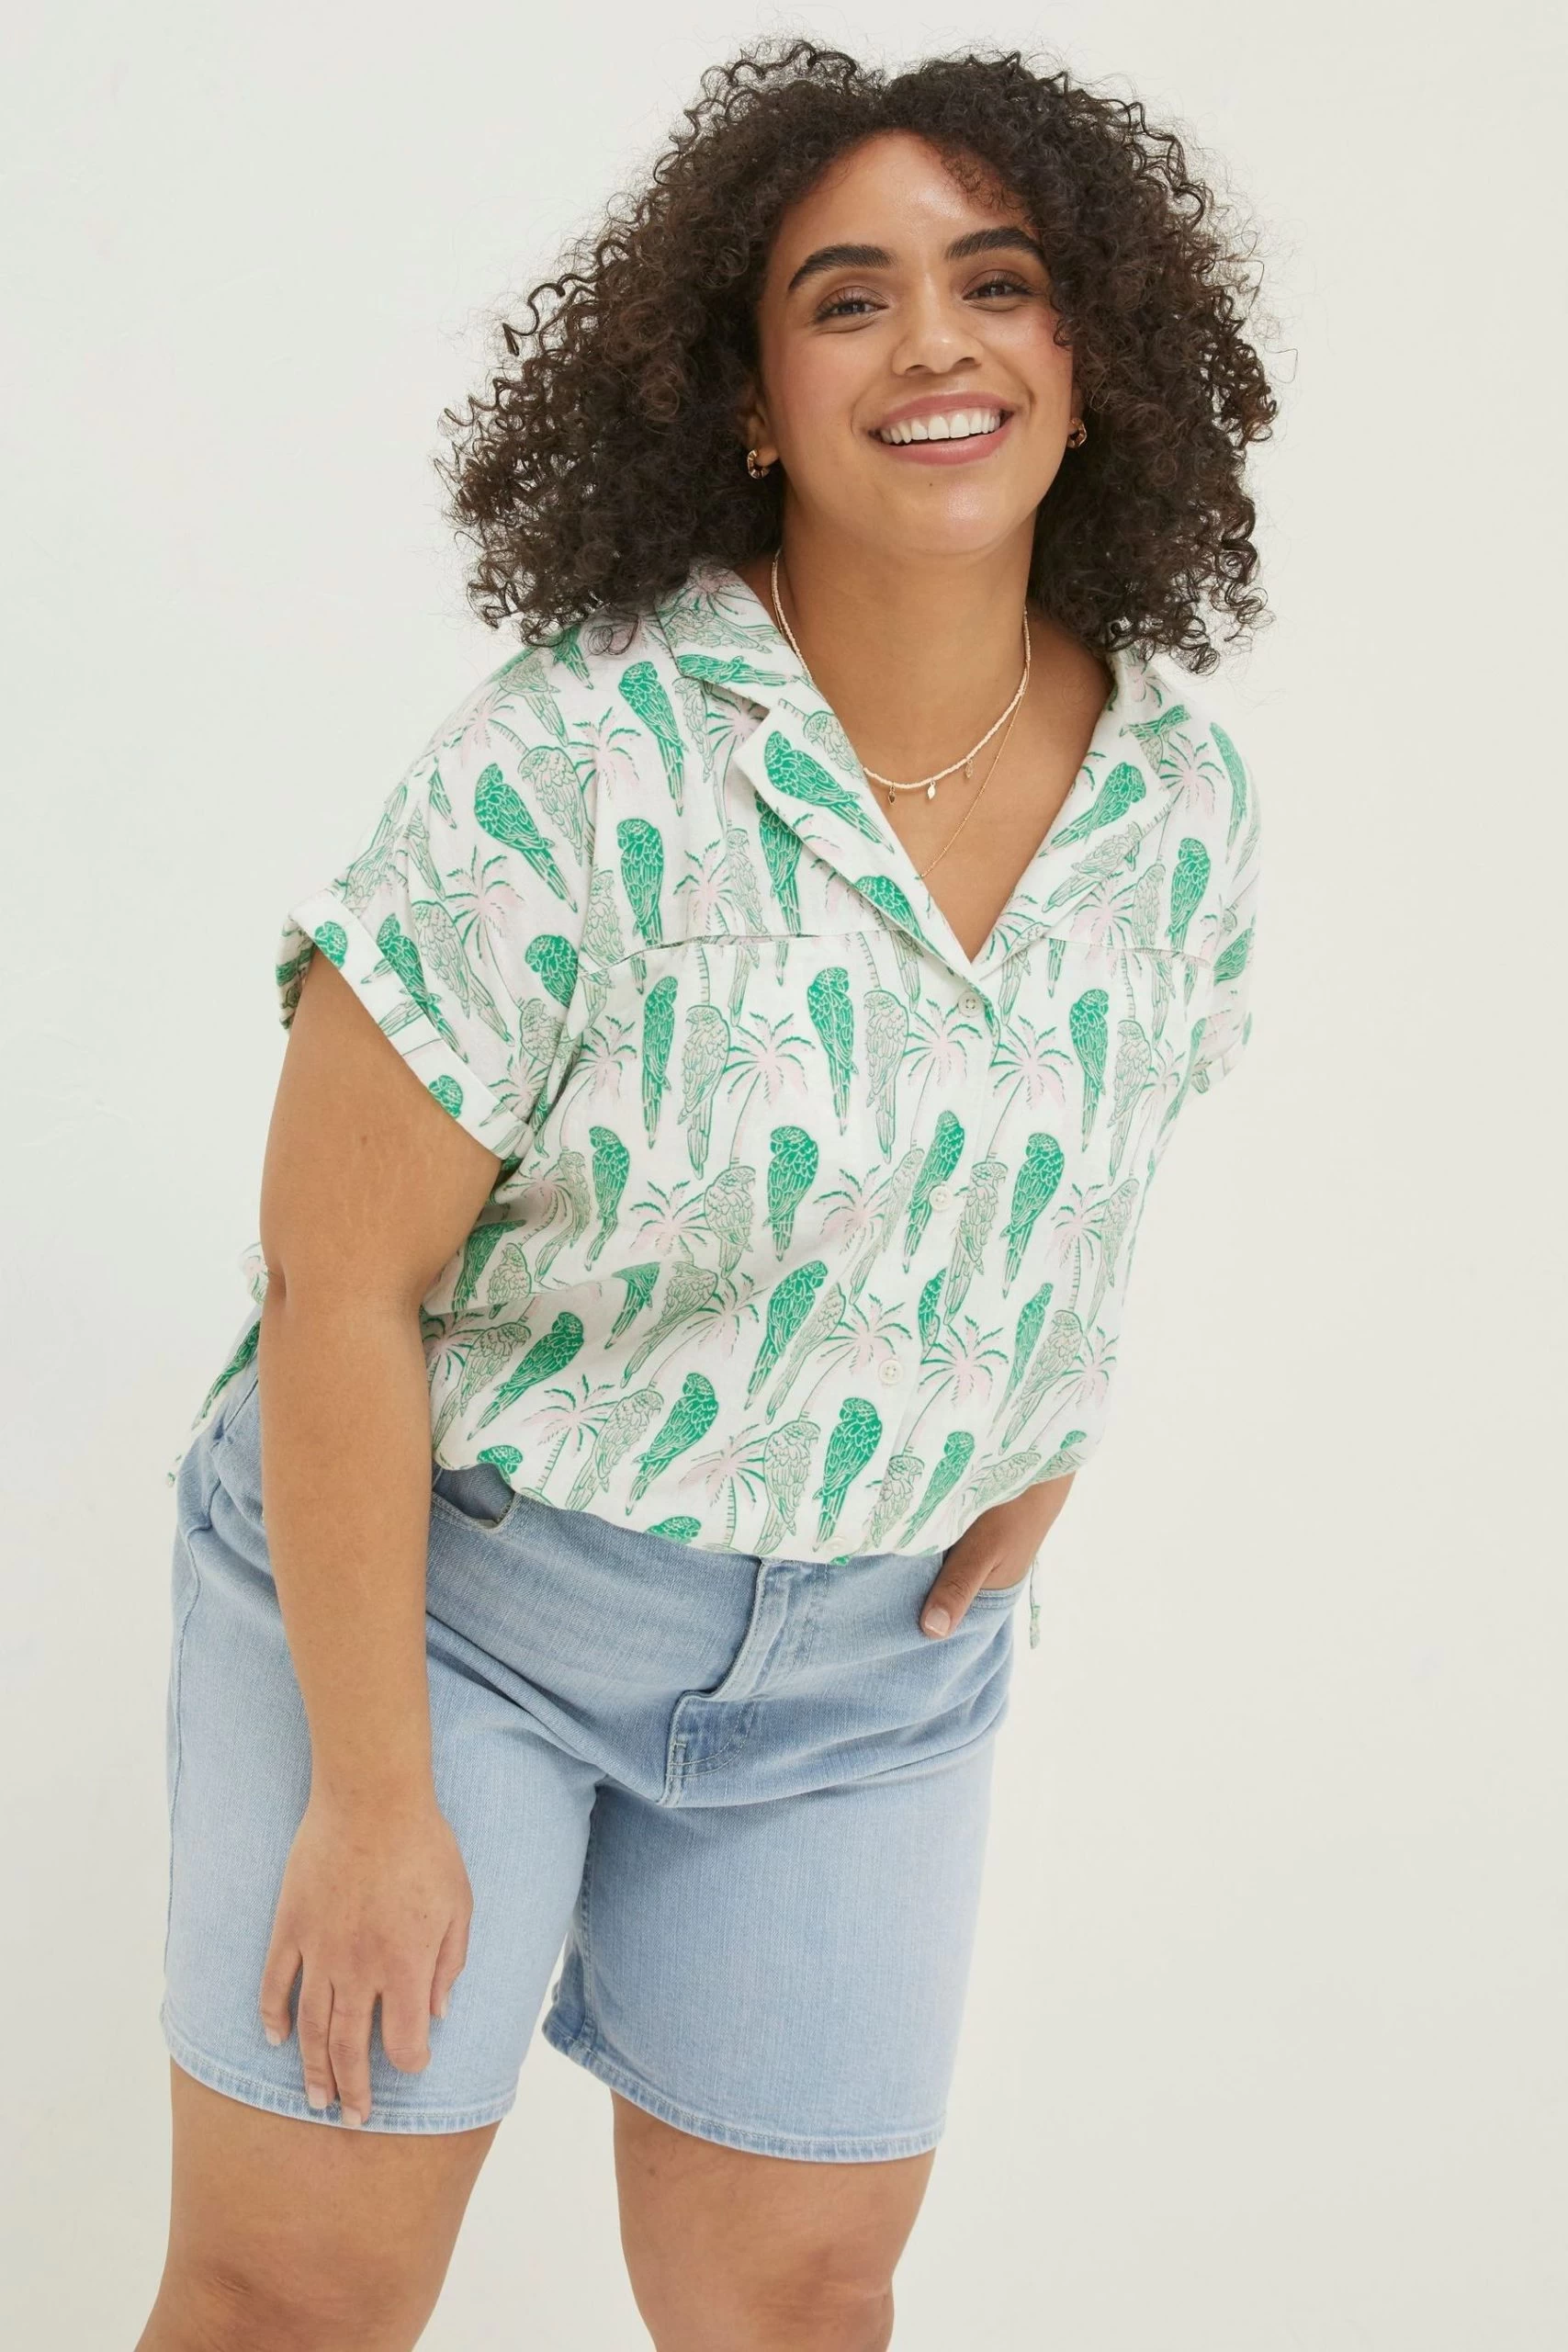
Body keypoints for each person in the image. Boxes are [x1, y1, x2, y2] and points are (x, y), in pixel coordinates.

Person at [141, 38, 1276, 2352]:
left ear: (1092, 363)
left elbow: (1087, 1165)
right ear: (749, 399)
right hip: (451, 1604)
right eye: (848, 298)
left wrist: (1033, 1432)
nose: (935, 341)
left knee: (801, 2304)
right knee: (295, 2300)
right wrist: (371, 1792)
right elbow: (336, 1281)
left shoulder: (1177, 798)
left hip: (871, 1672)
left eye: (999, 283)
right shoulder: (574, 761)